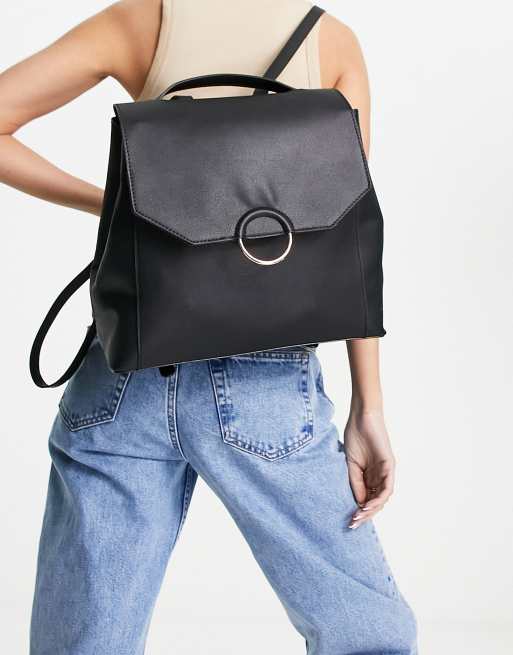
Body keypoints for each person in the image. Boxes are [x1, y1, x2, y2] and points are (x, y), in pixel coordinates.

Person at [0, 1, 418, 653]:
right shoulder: (330, 41)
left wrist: (119, 209)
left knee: (84, 643)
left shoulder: (139, 20)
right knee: (367, 635)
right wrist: (369, 407)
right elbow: (351, 240)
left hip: (127, 367)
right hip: (264, 382)